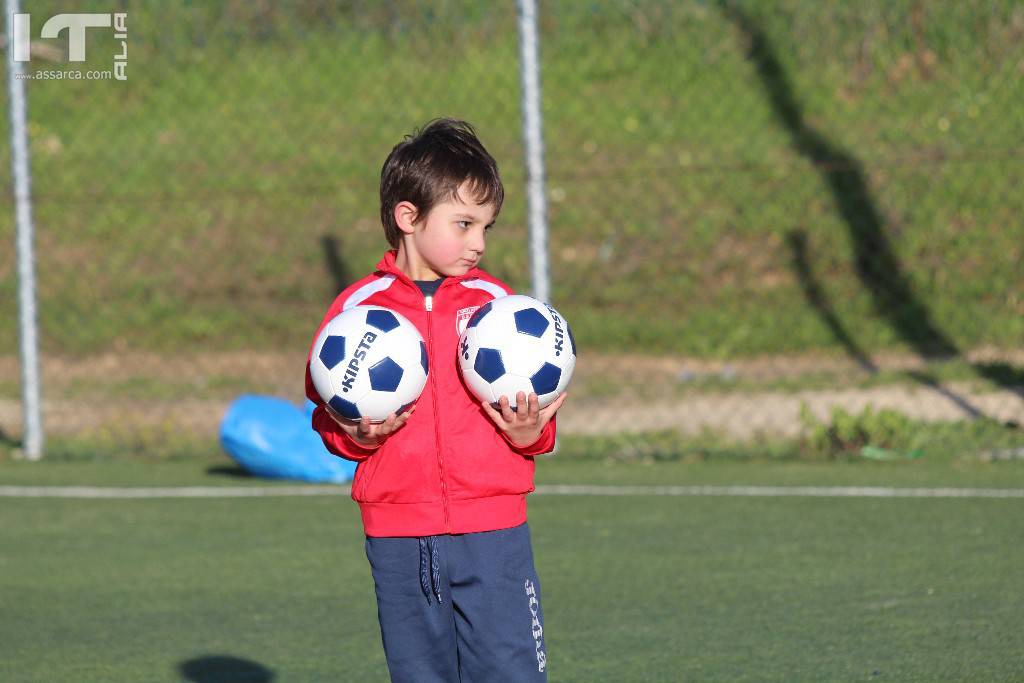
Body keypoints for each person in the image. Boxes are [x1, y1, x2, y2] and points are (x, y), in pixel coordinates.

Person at [304, 118, 566, 682]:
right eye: (465, 223)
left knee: (512, 672)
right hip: (399, 536)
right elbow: (326, 415)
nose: (479, 243)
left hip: (493, 531)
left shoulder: (503, 312)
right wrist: (354, 436)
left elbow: (541, 419)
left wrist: (531, 435)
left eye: (487, 227)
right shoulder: (358, 315)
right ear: (408, 218)